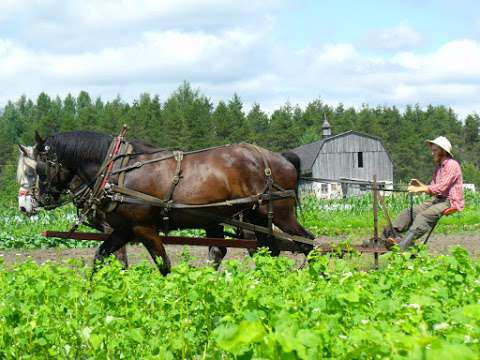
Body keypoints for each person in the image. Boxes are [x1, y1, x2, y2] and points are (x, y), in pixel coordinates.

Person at [384, 136, 464, 250]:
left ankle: (402, 246)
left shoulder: (451, 164)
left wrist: (421, 189)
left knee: (423, 216)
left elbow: (442, 187)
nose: (432, 153)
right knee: (409, 212)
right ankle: (389, 236)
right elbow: (433, 187)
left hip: (449, 201)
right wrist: (421, 185)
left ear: (443, 151)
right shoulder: (439, 167)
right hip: (438, 199)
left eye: (435, 150)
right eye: (432, 150)